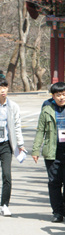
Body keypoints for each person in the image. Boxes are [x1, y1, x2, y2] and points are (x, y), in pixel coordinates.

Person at [33, 83, 65, 222]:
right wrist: (36, 149)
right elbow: (40, 131)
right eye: (58, 95)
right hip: (52, 150)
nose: (61, 97)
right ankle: (57, 212)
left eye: (63, 94)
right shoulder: (47, 110)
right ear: (53, 96)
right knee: (54, 182)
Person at [0, 80, 26, 216]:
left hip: (5, 144)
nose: (3, 90)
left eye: (5, 87)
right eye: (0, 87)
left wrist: (20, 144)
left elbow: (17, 126)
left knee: (7, 175)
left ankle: (4, 204)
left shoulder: (13, 106)